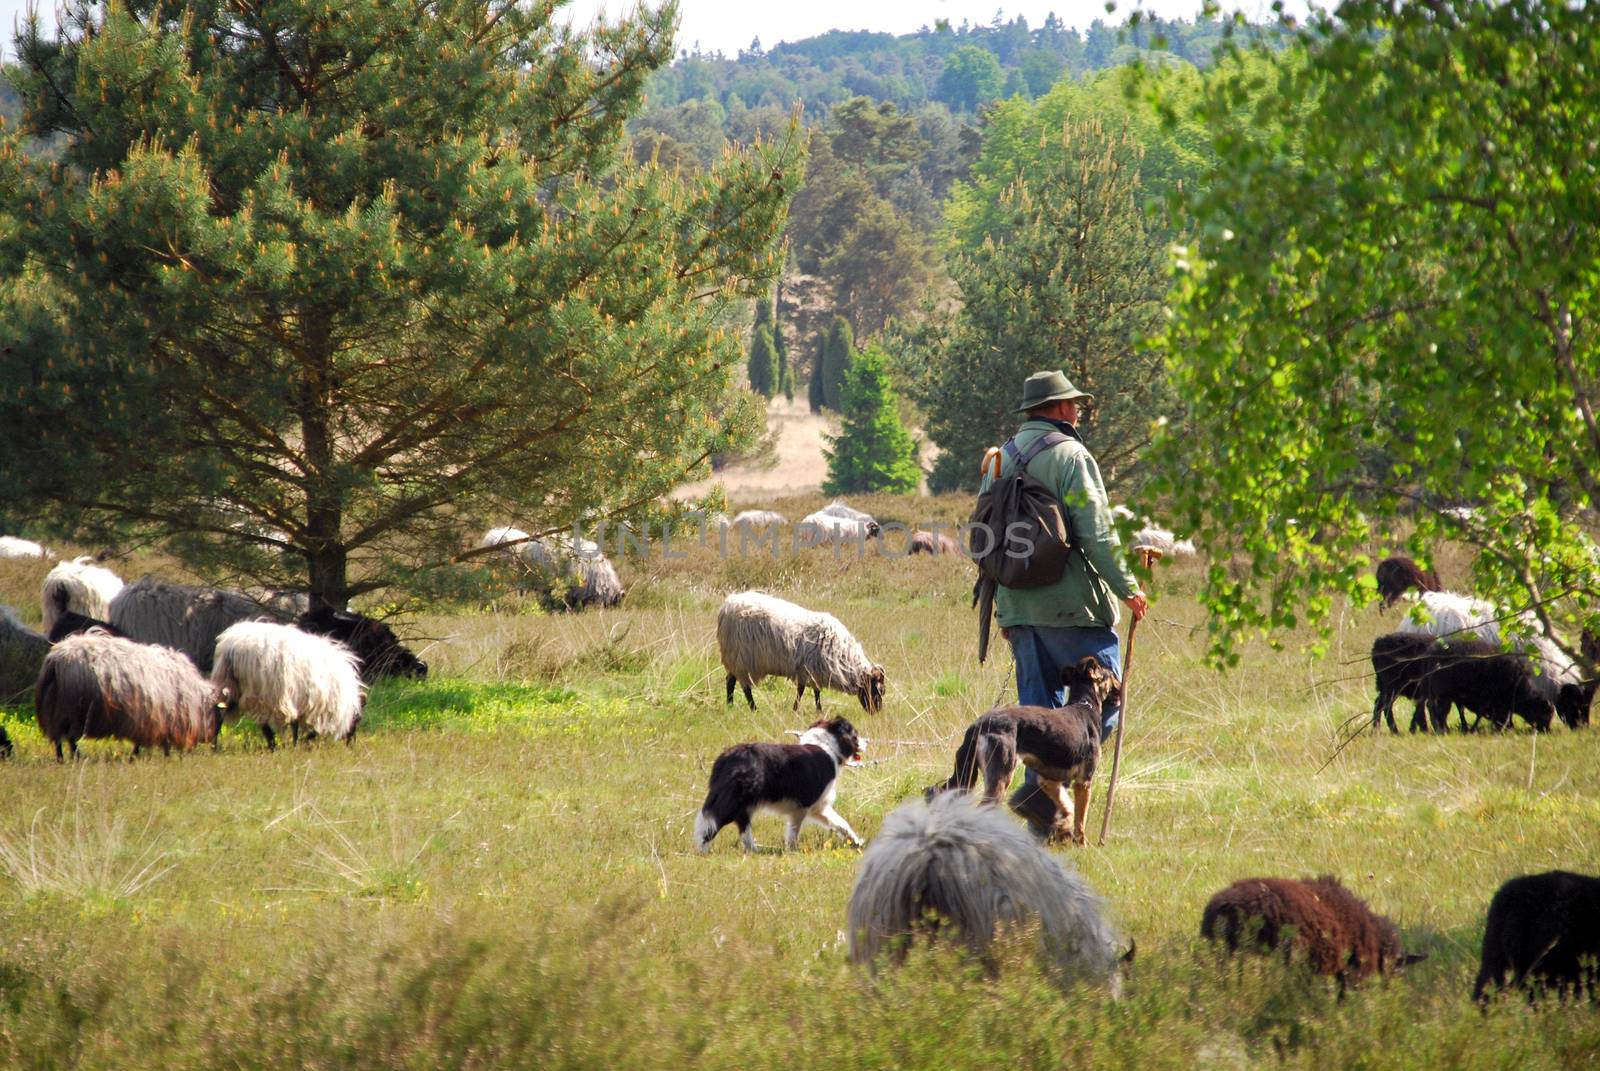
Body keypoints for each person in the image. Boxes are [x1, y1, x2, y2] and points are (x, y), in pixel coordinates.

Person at [981, 369, 1147, 839]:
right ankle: (1050, 806)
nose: (1078, 410)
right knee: (1105, 703)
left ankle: (1044, 812)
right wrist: (1127, 586)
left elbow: (985, 536)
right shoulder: (1073, 456)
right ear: (1057, 408)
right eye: (1073, 403)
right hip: (1075, 611)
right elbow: (1096, 531)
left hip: (1019, 612)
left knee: (1036, 720)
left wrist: (1003, 609)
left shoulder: (999, 460)